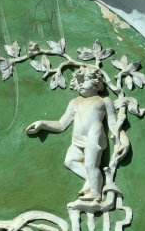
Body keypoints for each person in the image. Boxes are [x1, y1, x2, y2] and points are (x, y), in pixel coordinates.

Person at [25, 66, 118, 201]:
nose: (81, 84)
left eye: (84, 81)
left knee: (90, 165)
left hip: (94, 135)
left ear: (96, 83)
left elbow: (112, 123)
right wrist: (43, 124)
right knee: (70, 161)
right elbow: (61, 124)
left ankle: (96, 193)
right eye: (79, 82)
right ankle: (92, 180)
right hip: (78, 140)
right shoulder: (74, 102)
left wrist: (120, 138)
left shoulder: (104, 100)